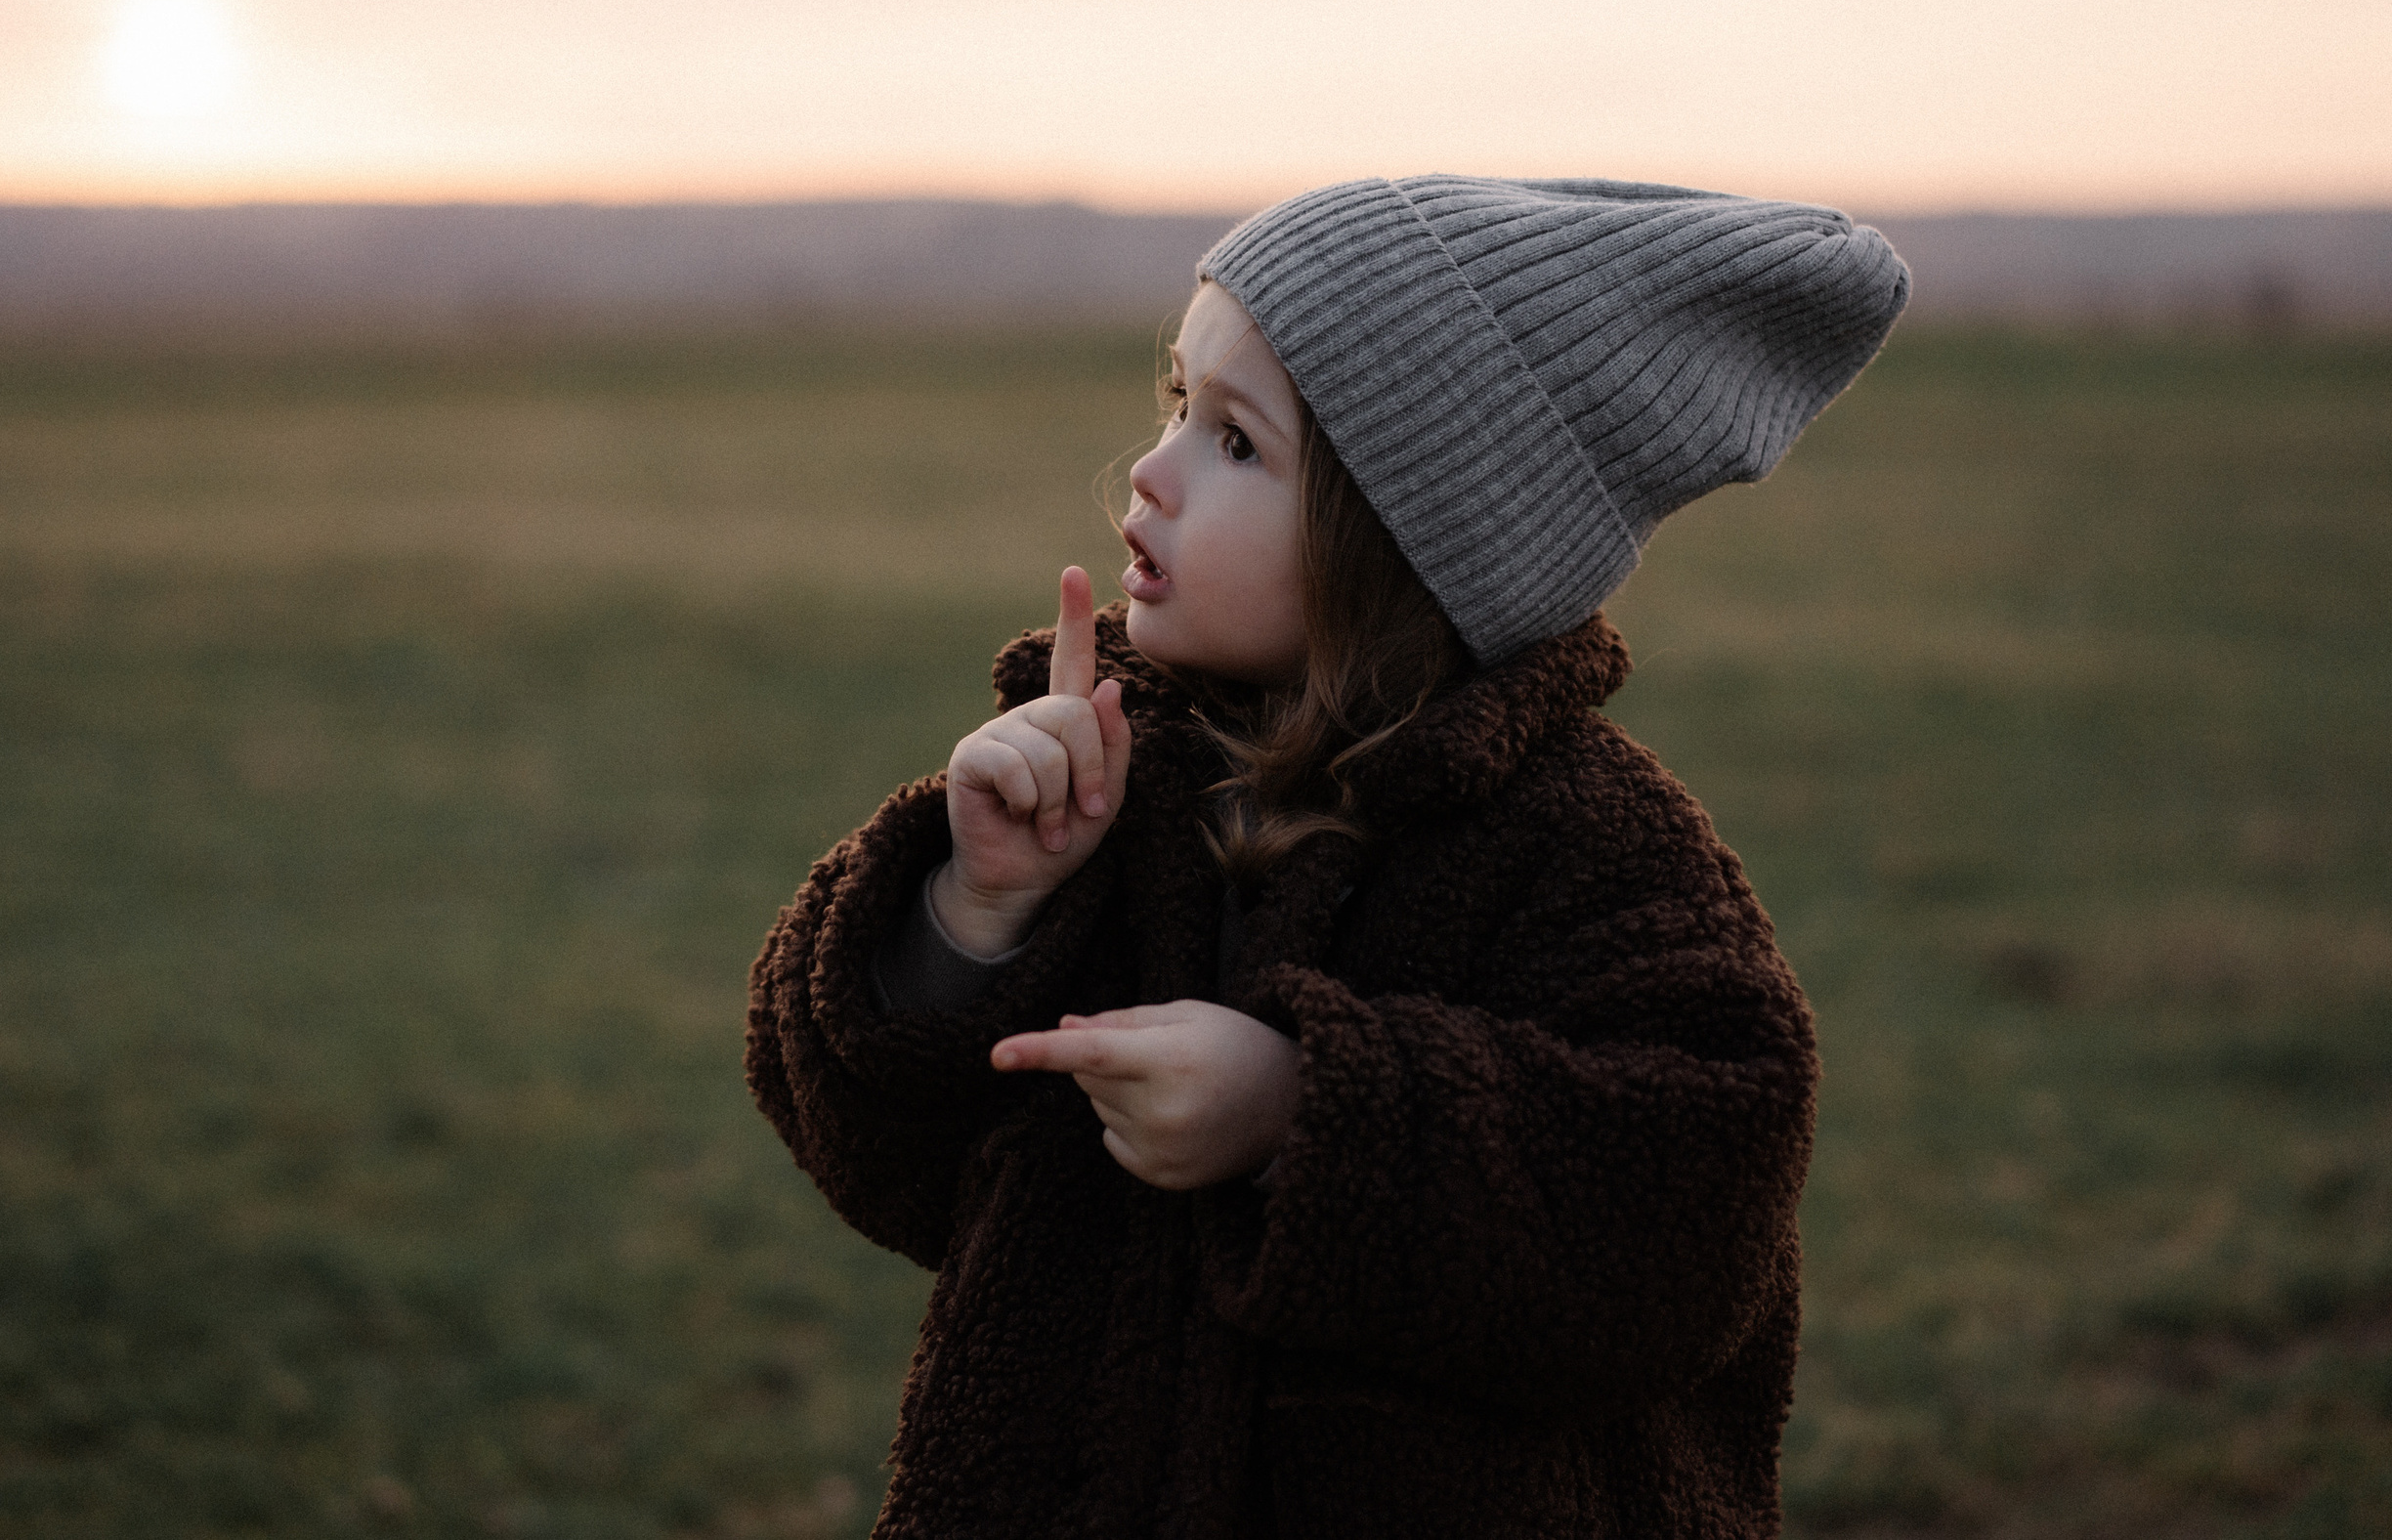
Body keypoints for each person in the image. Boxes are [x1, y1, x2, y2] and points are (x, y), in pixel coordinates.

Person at [747, 175, 1909, 1538]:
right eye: (1177, 402)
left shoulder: (1582, 841)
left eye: (1237, 442)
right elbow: (863, 1142)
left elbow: (1694, 1205)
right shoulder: (1113, 779)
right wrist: (972, 909)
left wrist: (1305, 1115)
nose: (1152, 469)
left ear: (1416, 544)